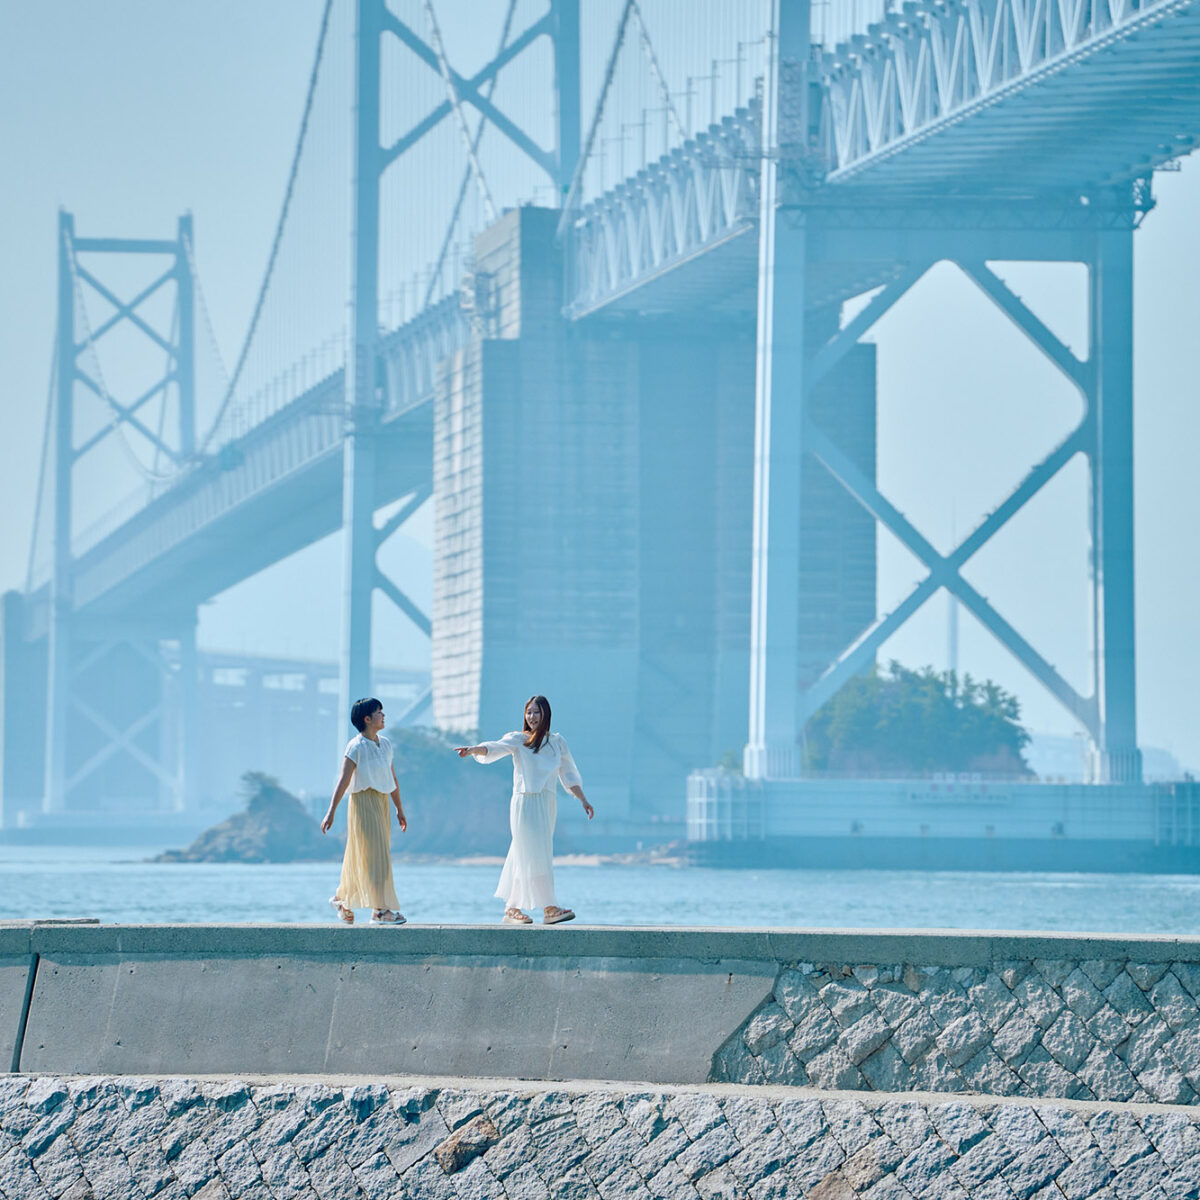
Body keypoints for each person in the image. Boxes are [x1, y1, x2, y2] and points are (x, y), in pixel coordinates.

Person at [456, 694, 594, 925]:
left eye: (536, 712)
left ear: (546, 714)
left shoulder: (557, 742)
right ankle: (545, 907)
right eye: (529, 712)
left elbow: (568, 774)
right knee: (528, 852)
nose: (532, 717)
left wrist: (583, 799)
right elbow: (495, 747)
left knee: (537, 853)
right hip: (525, 802)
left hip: (547, 802)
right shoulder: (519, 739)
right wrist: (473, 750)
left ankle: (518, 909)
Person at [322, 697, 407, 925]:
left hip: (382, 803)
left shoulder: (386, 744)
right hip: (362, 803)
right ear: (367, 719)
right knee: (375, 857)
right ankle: (380, 911)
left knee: (370, 855)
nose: (383, 715)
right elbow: (343, 781)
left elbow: (393, 778)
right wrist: (331, 812)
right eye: (379, 712)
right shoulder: (355, 746)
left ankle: (342, 899)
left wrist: (399, 808)